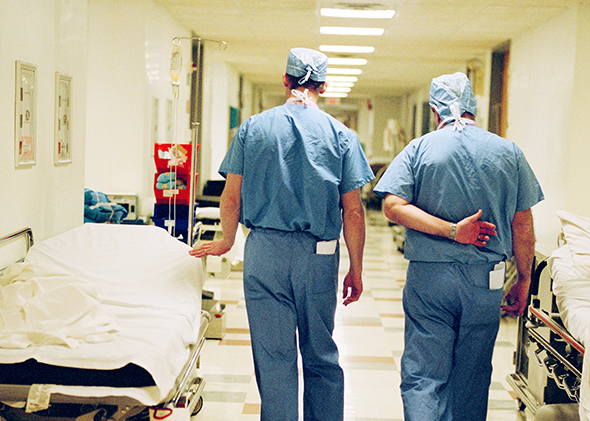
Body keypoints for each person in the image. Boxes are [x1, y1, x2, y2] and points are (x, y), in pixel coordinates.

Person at [189, 47, 374, 421]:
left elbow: (231, 196)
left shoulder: (252, 129)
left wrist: (226, 240)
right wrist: (356, 268)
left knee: (273, 357)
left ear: (286, 80)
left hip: (264, 254)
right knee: (321, 353)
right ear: (323, 85)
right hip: (318, 255)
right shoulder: (341, 135)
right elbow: (353, 211)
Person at [373, 72, 544, 421]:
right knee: (473, 374)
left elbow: (392, 206)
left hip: (430, 278)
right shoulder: (507, 151)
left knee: (424, 375)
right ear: (473, 110)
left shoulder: (420, 148)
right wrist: (524, 278)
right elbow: (523, 223)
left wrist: (452, 231)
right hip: (486, 281)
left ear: (436, 111)